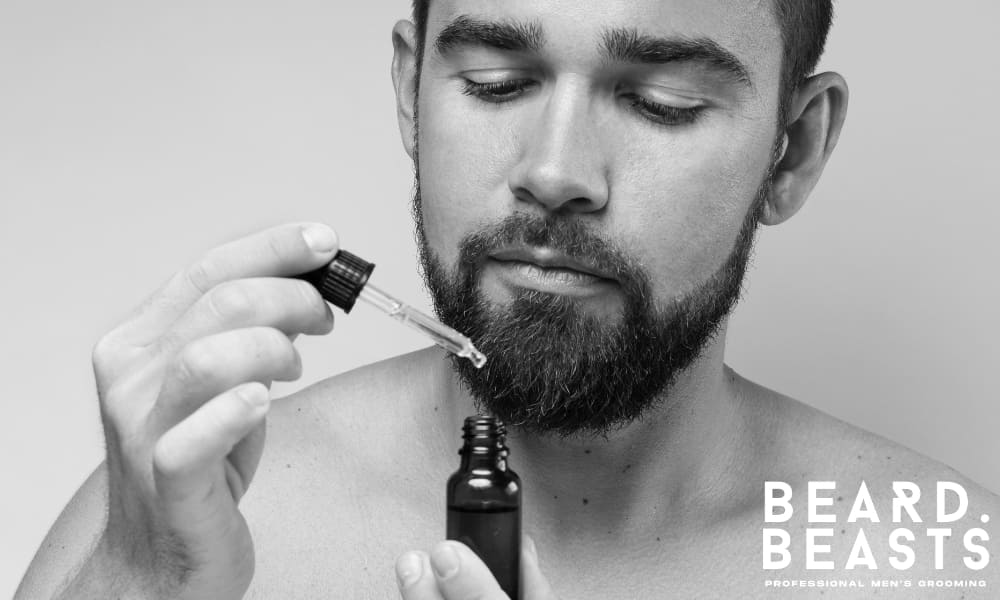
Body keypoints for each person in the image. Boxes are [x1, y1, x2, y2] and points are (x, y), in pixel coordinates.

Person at [16, 0, 1000, 598]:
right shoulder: (186, 521)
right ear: (411, 94)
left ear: (792, 150)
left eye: (660, 102)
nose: (555, 171)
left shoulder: (942, 570)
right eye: (493, 82)